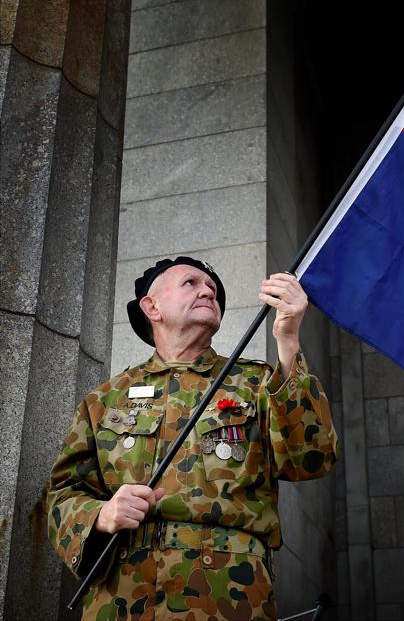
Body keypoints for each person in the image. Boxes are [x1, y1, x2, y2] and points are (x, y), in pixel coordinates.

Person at [46, 256, 338, 620]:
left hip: (226, 592)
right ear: (151, 307)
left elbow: (312, 457)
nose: (207, 291)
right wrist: (101, 514)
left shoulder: (257, 381)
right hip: (120, 594)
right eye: (191, 283)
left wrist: (289, 341)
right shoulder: (107, 397)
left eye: (212, 289)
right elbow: (62, 492)